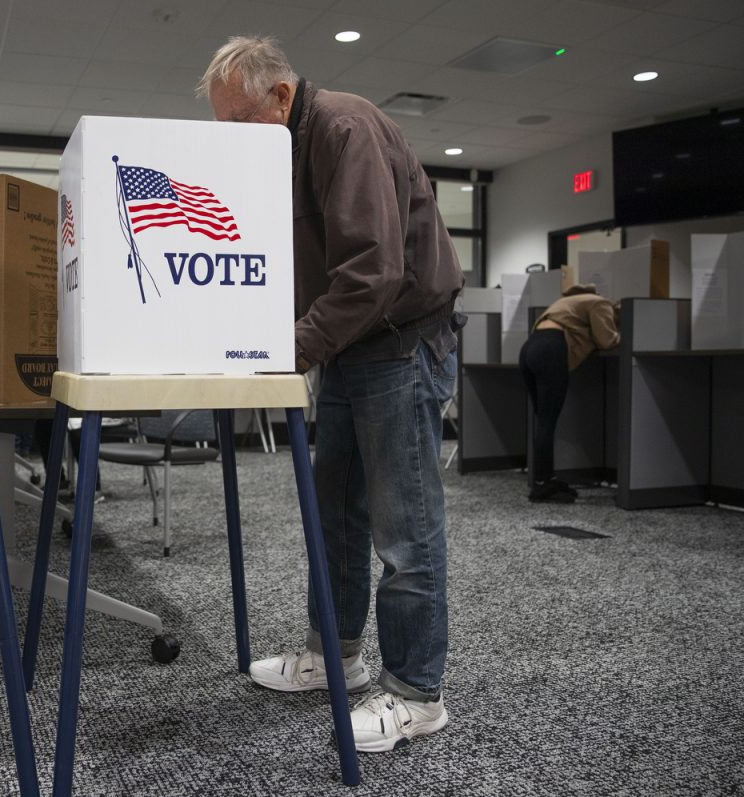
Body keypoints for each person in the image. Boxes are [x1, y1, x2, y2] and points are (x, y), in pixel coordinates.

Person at [198, 36, 464, 753]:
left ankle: (416, 692)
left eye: (236, 120)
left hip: (402, 340)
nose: (229, 138)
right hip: (352, 345)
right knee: (335, 513)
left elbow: (373, 270)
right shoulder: (283, 151)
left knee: (402, 527)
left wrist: (289, 348)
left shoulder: (344, 129)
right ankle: (336, 655)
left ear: (280, 98)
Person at [518, 283, 620, 503]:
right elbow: (607, 339)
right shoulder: (601, 304)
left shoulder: (567, 302)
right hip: (550, 350)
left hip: (530, 348)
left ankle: (545, 479)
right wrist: (621, 335)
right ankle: (544, 486)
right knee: (547, 420)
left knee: (542, 420)